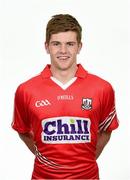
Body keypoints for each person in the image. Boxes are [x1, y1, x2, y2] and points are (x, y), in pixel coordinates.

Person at [12, 14, 119, 179]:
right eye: (56, 44)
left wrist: (85, 161)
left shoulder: (102, 88)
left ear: (79, 47)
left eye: (70, 44)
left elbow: (106, 130)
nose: (63, 51)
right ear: (47, 47)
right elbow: (23, 130)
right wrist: (45, 159)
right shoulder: (26, 90)